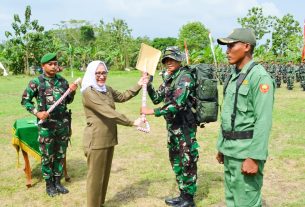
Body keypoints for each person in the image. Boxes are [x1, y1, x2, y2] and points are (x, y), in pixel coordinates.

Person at [216, 28, 275, 206]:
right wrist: (221, 146)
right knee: (232, 200)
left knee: (246, 202)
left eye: (231, 46)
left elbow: (263, 122)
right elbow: (227, 114)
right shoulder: (234, 75)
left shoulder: (259, 77)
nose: (227, 52)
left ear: (247, 46)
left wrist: (254, 157)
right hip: (230, 151)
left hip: (246, 154)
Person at [81, 60, 147, 207]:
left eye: (104, 72)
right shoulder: (89, 92)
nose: (101, 76)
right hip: (96, 140)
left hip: (109, 138)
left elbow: (123, 96)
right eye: (97, 73)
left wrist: (139, 83)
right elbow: (108, 111)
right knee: (95, 178)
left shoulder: (106, 89)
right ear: (91, 74)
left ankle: (100, 203)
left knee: (104, 175)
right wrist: (131, 122)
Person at [141, 46, 199, 207]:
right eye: (166, 60)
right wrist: (149, 84)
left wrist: (152, 112)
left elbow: (177, 104)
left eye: (172, 59)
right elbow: (157, 98)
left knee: (187, 160)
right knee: (176, 160)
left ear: (179, 59)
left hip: (185, 127)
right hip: (173, 127)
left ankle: (189, 198)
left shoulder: (185, 77)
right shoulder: (170, 78)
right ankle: (182, 194)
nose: (169, 62)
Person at [21, 52, 78, 197]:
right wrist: (37, 113)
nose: (53, 66)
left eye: (55, 64)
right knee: (47, 155)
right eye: (50, 64)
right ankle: (49, 184)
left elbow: (68, 101)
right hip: (46, 126)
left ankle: (58, 182)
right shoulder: (37, 82)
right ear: (43, 66)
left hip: (62, 124)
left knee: (60, 153)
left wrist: (72, 92)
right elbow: (25, 101)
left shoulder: (63, 81)